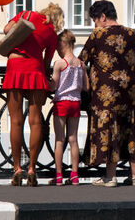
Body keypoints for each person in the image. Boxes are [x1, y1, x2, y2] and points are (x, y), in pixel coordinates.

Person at [80, 0, 135, 187]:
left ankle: (111, 176)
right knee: (131, 129)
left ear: (103, 17)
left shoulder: (98, 34)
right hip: (129, 90)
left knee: (110, 130)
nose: (95, 25)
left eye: (95, 20)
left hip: (106, 92)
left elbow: (82, 59)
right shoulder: (132, 33)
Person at [2, 2, 64, 187]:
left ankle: (17, 169)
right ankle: (31, 168)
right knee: (35, 121)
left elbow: (7, 30)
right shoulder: (52, 34)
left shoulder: (27, 15)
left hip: (15, 67)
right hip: (36, 71)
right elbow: (47, 61)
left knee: (16, 120)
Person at [49, 30, 89, 186]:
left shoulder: (59, 63)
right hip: (75, 103)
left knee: (60, 139)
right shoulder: (81, 64)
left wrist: (48, 84)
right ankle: (74, 175)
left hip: (61, 103)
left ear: (62, 44)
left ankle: (58, 175)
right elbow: (86, 86)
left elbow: (54, 86)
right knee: (73, 139)